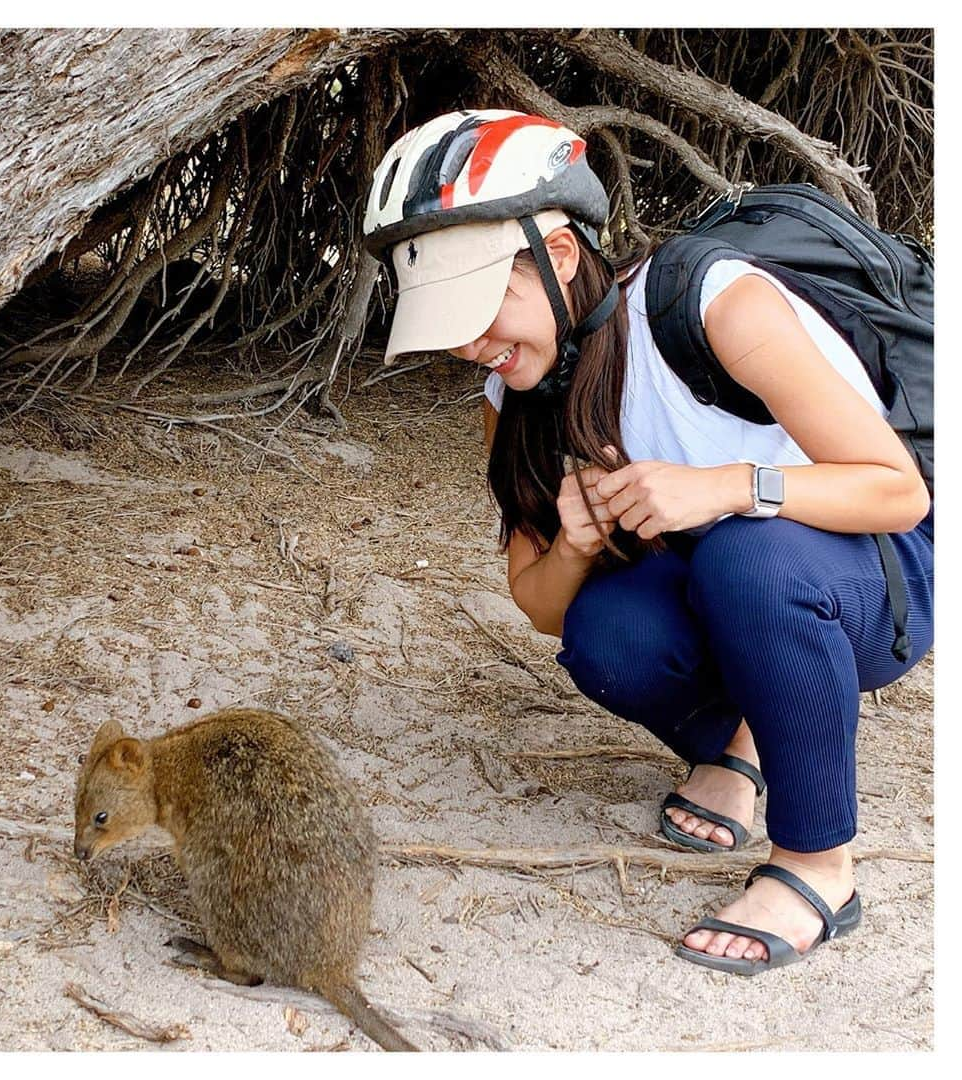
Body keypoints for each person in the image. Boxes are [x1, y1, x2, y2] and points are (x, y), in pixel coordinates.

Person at [362, 109, 934, 975]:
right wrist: (577, 545)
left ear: (556, 260)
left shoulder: (709, 301)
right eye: (449, 318)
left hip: (873, 579)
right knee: (608, 636)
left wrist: (727, 486)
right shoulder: (512, 391)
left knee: (753, 556)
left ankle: (819, 866)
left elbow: (896, 491)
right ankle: (742, 741)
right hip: (730, 589)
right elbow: (544, 609)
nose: (470, 341)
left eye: (481, 305)